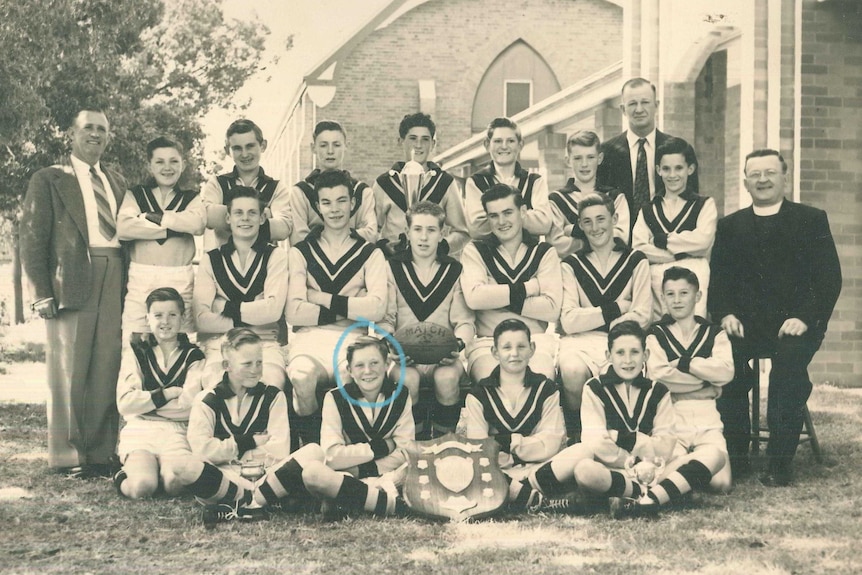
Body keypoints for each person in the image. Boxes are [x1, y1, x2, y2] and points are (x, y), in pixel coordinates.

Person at [179, 329, 404, 527]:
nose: (255, 370)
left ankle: (239, 505)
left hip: (266, 476)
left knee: (314, 451)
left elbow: (277, 451)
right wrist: (246, 443)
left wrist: (230, 452)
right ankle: (255, 502)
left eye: (259, 362)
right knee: (185, 466)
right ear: (227, 366)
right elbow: (203, 452)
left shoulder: (272, 395)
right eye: (247, 364)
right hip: (226, 478)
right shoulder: (206, 400)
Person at [709, 149, 841, 486]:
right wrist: (725, 314)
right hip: (746, 325)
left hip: (796, 324)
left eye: (770, 172)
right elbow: (719, 280)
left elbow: (828, 279)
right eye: (755, 174)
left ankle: (780, 462)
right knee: (728, 368)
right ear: (745, 181)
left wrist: (804, 318)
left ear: (785, 176)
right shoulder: (730, 226)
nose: (763, 180)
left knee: (788, 368)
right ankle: (737, 458)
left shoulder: (811, 219)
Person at [20, 108, 126, 477]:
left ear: (108, 137)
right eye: (88, 128)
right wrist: (41, 292)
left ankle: (99, 454)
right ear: (73, 134)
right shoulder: (50, 178)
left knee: (106, 365)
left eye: (102, 129)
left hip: (116, 274)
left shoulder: (116, 180)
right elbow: (32, 239)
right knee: (68, 370)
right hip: (71, 278)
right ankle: (66, 455)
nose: (95, 134)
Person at [521, 321, 679, 518]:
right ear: (608, 356)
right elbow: (596, 443)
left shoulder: (659, 391)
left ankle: (628, 496)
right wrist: (636, 457)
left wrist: (622, 438)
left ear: (645, 355)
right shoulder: (594, 388)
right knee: (584, 469)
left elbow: (665, 447)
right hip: (608, 470)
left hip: (650, 470)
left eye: (635, 352)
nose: (628, 360)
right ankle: (644, 495)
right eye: (620, 353)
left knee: (711, 456)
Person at [286, 170, 387, 445]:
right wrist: (353, 305)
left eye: (341, 201)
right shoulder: (301, 251)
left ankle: (348, 452)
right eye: (327, 202)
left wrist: (319, 297)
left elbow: (377, 309)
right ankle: (309, 449)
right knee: (302, 377)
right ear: (317, 206)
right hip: (309, 338)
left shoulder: (370, 252)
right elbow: (293, 312)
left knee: (351, 378)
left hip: (352, 338)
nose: (335, 209)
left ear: (353, 204)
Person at [557, 193, 651, 442]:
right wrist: (616, 309)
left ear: (614, 219)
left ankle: (620, 441)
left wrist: (594, 318)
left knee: (620, 373)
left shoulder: (636, 260)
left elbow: (642, 315)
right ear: (580, 225)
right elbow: (568, 320)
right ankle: (576, 438)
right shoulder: (571, 264)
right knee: (572, 371)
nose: (595, 227)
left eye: (601, 219)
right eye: (587, 221)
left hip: (623, 342)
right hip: (580, 341)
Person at [378, 201, 475, 437]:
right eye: (418, 229)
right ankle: (416, 443)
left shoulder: (454, 270)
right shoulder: (392, 268)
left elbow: (464, 321)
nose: (424, 237)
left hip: (442, 356)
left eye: (431, 230)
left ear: (442, 234)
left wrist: (457, 345)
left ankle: (444, 443)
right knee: (407, 379)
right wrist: (390, 344)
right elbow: (385, 318)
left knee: (448, 377)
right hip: (403, 356)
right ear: (407, 232)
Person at [460, 184, 562, 383]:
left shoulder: (544, 251)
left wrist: (492, 295)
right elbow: (474, 298)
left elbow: (551, 309)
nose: (501, 221)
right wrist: (528, 288)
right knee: (491, 382)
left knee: (541, 381)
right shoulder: (475, 250)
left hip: (534, 340)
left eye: (508, 213)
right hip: (488, 342)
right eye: (493, 215)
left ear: (523, 212)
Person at [461, 319, 565, 506]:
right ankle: (534, 498)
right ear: (495, 352)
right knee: (468, 468)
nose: (514, 354)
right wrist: (525, 446)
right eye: (507, 347)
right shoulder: (479, 394)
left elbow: (550, 443)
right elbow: (481, 449)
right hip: (496, 472)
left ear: (532, 349)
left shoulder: (547, 388)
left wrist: (506, 443)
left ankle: (516, 493)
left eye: (521, 346)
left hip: (538, 469)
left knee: (580, 454)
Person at [646, 267, 733, 491]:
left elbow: (725, 372)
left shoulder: (714, 333)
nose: (677, 300)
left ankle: (682, 480)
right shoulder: (655, 333)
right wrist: (706, 384)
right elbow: (659, 377)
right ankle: (680, 481)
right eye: (670, 294)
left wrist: (685, 363)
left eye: (684, 293)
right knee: (668, 472)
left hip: (708, 419)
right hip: (672, 417)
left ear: (698, 296)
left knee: (722, 484)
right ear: (663, 298)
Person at [193, 186, 288, 390]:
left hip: (264, 344)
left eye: (252, 213)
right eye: (238, 213)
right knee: (215, 384)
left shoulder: (275, 256)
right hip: (223, 344)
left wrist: (224, 307)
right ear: (228, 218)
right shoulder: (211, 259)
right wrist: (255, 314)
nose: (245, 219)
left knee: (272, 384)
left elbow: (272, 311)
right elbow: (201, 320)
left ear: (262, 218)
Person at [114, 288, 205, 499]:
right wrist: (165, 394)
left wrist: (145, 404)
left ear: (182, 318)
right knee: (142, 487)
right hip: (140, 429)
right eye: (158, 315)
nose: (165, 321)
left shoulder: (194, 356)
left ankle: (160, 469)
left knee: (175, 484)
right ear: (147, 318)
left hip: (176, 431)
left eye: (172, 314)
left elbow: (189, 407)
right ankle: (120, 472)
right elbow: (125, 403)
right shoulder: (136, 351)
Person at [117, 137, 206, 339]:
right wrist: (174, 227)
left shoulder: (191, 197)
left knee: (180, 341)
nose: (167, 167)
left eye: (174, 161)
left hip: (179, 277)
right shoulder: (136, 194)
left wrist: (152, 218)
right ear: (150, 166)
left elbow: (197, 224)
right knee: (136, 341)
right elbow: (124, 228)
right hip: (142, 277)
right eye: (160, 162)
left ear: (182, 164)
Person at [632, 137, 716, 320]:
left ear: (690, 169)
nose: (672, 175)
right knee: (661, 332)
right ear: (658, 170)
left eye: (678, 168)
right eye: (666, 169)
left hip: (695, 280)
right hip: (657, 284)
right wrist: (682, 254)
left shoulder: (704, 204)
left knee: (691, 330)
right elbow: (639, 248)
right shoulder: (648, 209)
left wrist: (663, 241)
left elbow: (703, 242)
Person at [596, 78, 696, 224]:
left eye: (645, 102)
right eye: (632, 104)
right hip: (622, 239)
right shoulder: (606, 153)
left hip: (669, 234)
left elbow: (692, 198)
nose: (639, 109)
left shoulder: (678, 150)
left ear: (656, 105)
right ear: (623, 109)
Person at [373, 113, 469, 258]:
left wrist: (440, 247)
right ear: (401, 141)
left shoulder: (445, 182)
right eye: (412, 138)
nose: (418, 145)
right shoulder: (385, 183)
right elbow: (371, 229)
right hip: (393, 266)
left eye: (425, 139)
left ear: (433, 144)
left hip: (432, 267)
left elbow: (462, 232)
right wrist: (385, 246)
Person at [320, 336, 415, 479]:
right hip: (347, 478)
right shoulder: (335, 398)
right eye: (359, 365)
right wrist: (381, 447)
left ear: (386, 364)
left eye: (374, 363)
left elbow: (405, 450)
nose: (368, 371)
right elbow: (331, 456)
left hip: (389, 475)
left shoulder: (400, 395)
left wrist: (365, 470)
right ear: (349, 370)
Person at [201, 119, 292, 249]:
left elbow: (283, 228)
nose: (244, 154)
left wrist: (229, 216)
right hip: (225, 263)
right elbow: (207, 216)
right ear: (227, 150)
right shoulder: (218, 183)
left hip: (264, 265)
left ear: (263, 145)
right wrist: (262, 214)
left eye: (250, 146)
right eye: (237, 148)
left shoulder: (276, 187)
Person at [289, 120, 377, 245]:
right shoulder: (300, 192)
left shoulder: (362, 192)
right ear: (313, 148)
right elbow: (299, 239)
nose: (330, 151)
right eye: (323, 145)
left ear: (346, 146)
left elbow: (371, 234)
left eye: (336, 145)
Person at [465, 117, 552, 240]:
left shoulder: (534, 181)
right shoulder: (476, 182)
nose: (504, 146)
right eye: (498, 141)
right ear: (487, 145)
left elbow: (544, 224)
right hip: (489, 257)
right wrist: (522, 217)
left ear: (520, 145)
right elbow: (477, 228)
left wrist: (495, 217)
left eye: (510, 141)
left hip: (529, 256)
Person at [547, 130, 630, 259]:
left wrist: (574, 230)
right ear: (568, 161)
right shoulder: (556, 200)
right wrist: (599, 237)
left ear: (600, 158)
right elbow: (556, 245)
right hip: (572, 270)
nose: (584, 164)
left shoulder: (615, 197)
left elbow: (620, 238)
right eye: (578, 158)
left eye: (590, 157)